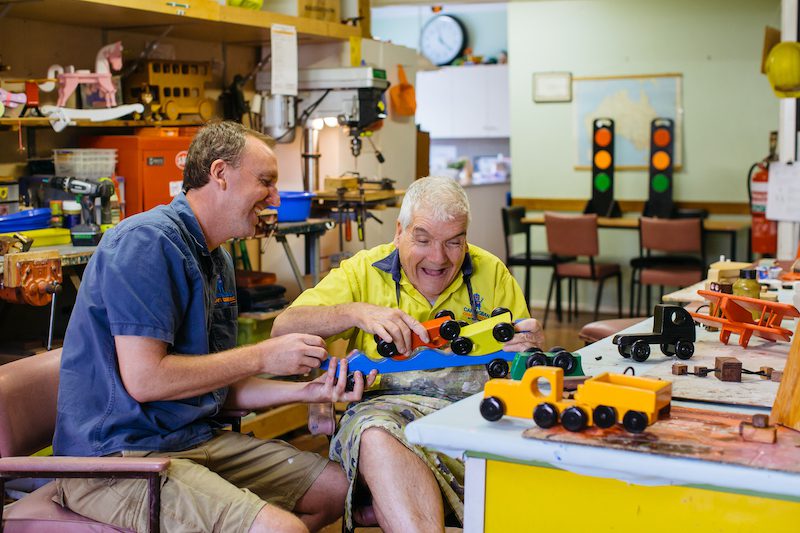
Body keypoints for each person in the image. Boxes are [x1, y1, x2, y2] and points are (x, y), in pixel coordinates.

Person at [53, 121, 376, 533]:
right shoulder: (146, 243)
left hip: (191, 439)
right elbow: (146, 380)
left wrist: (307, 391)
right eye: (266, 182)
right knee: (283, 530)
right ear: (220, 174)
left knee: (335, 489)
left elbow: (217, 387)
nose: (274, 197)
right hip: (119, 457)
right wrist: (263, 354)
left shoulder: (217, 257)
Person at [272, 176, 544, 532]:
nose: (438, 257)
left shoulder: (491, 272)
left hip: (475, 416)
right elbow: (283, 329)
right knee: (375, 435)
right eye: (423, 239)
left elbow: (525, 368)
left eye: (453, 242)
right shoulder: (363, 272)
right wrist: (355, 312)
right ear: (399, 231)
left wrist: (532, 347)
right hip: (383, 415)